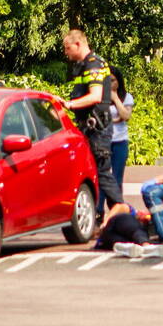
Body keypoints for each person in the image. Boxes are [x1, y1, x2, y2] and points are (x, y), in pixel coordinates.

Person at [58, 29, 124, 215]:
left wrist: (69, 105)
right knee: (95, 172)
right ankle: (109, 214)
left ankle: (120, 209)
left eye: (67, 47)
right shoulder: (84, 65)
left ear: (78, 44)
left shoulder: (93, 64)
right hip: (90, 127)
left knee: (101, 171)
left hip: (97, 128)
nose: (66, 52)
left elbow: (95, 96)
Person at [100, 66, 135, 216]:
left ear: (119, 81)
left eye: (112, 80)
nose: (110, 83)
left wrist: (114, 98)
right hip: (103, 141)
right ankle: (98, 211)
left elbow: (125, 116)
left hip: (120, 141)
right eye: (106, 80)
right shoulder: (99, 97)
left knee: (117, 178)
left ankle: (116, 211)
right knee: (101, 175)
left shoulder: (127, 97)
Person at [94, 203, 163, 259]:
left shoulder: (144, 231)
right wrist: (105, 222)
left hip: (110, 240)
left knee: (128, 243)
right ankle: (146, 246)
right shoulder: (132, 213)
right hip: (115, 224)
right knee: (134, 229)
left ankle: (127, 248)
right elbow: (119, 206)